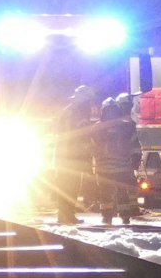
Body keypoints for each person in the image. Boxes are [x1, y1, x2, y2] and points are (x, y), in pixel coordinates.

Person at [50, 85, 97, 224]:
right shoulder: (76, 113)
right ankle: (66, 216)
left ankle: (66, 215)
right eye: (88, 101)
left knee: (68, 187)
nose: (90, 104)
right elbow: (80, 135)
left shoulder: (69, 111)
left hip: (65, 157)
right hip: (71, 158)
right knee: (70, 188)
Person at [93, 94, 141, 224]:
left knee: (105, 194)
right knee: (122, 193)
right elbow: (135, 145)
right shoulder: (127, 126)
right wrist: (135, 161)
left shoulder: (97, 127)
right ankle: (125, 216)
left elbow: (92, 147)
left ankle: (107, 216)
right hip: (122, 167)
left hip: (102, 167)